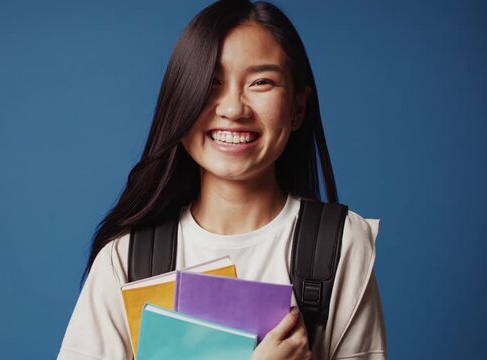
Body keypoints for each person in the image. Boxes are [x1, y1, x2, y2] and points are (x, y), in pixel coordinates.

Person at [57, 0, 387, 359]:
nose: (233, 108)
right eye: (211, 82)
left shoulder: (339, 245)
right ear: (180, 100)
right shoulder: (125, 259)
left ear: (298, 108)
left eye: (261, 82)